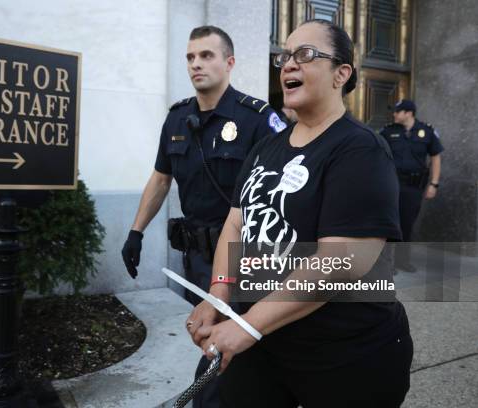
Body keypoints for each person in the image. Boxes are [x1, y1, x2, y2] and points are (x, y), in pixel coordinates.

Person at [186, 19, 413, 408]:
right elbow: (236, 225)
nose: (289, 63)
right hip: (263, 345)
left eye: (305, 54)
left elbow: (340, 262)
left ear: (342, 73)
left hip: (343, 357)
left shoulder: (360, 151)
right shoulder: (265, 148)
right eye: (285, 56)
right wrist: (219, 295)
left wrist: (247, 326)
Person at [121, 25, 286, 407]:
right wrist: (136, 232)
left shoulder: (258, 118)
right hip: (196, 256)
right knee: (213, 339)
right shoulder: (177, 118)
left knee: (225, 347)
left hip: (243, 257)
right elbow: (161, 178)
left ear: (229, 63)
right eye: (191, 57)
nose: (196, 64)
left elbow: (281, 192)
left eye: (206, 55)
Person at [380, 99, 444, 272]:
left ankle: (402, 261)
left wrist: (434, 183)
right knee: (388, 223)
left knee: (407, 224)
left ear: (408, 113)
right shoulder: (387, 131)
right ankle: (385, 263)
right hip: (391, 185)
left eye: (397, 111)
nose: (394, 114)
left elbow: (436, 157)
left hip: (414, 186)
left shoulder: (427, 131)